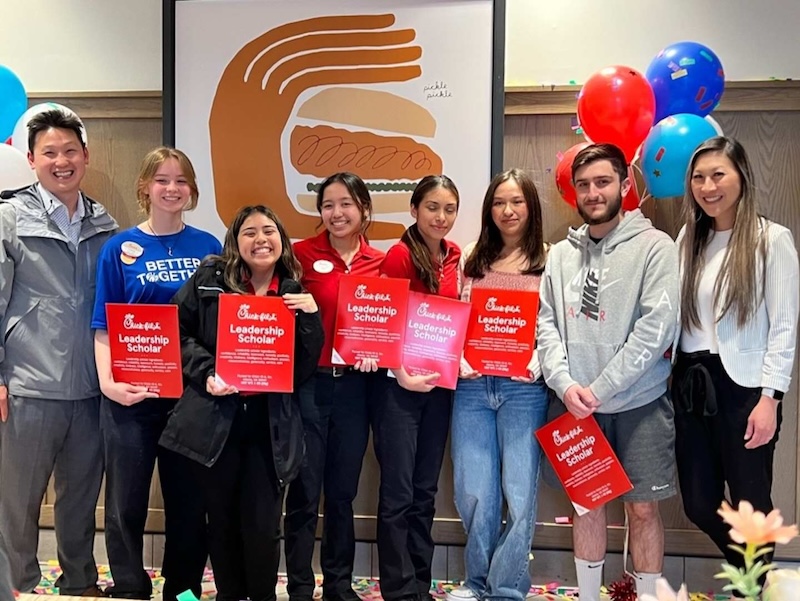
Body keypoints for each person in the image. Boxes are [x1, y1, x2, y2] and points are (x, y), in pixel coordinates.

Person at [159, 205, 324, 601]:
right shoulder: (210, 279)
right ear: (236, 241)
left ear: (281, 240)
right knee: (222, 519)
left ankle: (262, 595)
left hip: (270, 424)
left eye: (269, 230)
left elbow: (302, 368)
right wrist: (207, 372)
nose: (260, 239)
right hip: (218, 419)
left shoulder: (294, 291)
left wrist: (311, 319)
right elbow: (175, 330)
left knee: (264, 523)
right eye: (249, 232)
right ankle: (228, 594)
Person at [537, 143, 679, 601]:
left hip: (640, 405)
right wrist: (565, 384)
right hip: (576, 408)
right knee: (587, 508)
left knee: (642, 512)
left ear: (625, 185)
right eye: (584, 185)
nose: (593, 192)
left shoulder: (656, 247)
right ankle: (589, 596)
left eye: (602, 182)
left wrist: (600, 388)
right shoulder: (559, 255)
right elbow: (546, 325)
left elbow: (655, 330)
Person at [92, 147, 221, 600]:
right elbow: (103, 325)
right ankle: (129, 585)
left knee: (189, 502)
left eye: (181, 180)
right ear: (145, 186)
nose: (172, 188)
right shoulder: (117, 247)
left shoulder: (209, 247)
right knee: (125, 499)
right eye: (162, 179)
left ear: (192, 189)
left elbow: (219, 321)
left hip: (189, 397)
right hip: (132, 393)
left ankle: (182, 590)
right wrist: (109, 384)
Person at [0, 108, 117, 595]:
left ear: (86, 156)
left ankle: (80, 582)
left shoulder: (106, 224)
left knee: (79, 501)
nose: (61, 161)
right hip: (27, 385)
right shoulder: (7, 218)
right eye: (50, 152)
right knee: (16, 502)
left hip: (91, 390)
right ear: (32, 160)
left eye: (70, 151)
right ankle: (14, 586)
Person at [673, 137, 798, 573]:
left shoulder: (771, 240)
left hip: (744, 389)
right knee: (699, 501)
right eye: (699, 177)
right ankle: (755, 572)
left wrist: (770, 399)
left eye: (718, 174)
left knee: (750, 505)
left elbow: (783, 326)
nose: (708, 186)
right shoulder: (689, 237)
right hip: (690, 384)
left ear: (741, 176)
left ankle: (755, 584)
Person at [446, 169, 549, 601]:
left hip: (523, 389)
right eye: (498, 203)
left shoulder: (551, 257)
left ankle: (506, 588)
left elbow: (555, 323)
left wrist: (539, 361)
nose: (507, 211)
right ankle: (476, 582)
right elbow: (454, 316)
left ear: (531, 208)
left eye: (517, 202)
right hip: (471, 387)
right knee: (474, 490)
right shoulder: (472, 256)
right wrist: (460, 358)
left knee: (520, 492)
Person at [286, 173, 385, 601]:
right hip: (308, 386)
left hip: (356, 390)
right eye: (328, 204)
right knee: (305, 493)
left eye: (346, 204)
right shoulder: (299, 255)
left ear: (364, 208)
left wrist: (378, 350)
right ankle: (300, 585)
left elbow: (389, 325)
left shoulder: (383, 262)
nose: (337, 213)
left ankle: (339, 585)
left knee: (342, 493)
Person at [374, 175, 461, 601]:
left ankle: (420, 584)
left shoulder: (456, 256)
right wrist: (400, 372)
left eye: (448, 209)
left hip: (440, 389)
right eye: (432, 207)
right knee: (398, 492)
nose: (440, 217)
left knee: (425, 491)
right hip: (399, 390)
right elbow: (384, 320)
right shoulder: (398, 255)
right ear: (414, 210)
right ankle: (398, 588)